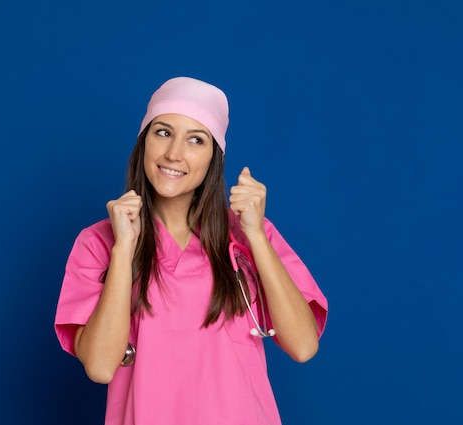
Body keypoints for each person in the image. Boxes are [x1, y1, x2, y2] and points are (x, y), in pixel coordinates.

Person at [54, 76, 328, 424]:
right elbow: (99, 366)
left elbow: (303, 346)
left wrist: (256, 235)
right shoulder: (99, 243)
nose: (174, 153)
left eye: (196, 140)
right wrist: (124, 249)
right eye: (163, 132)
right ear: (143, 142)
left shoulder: (247, 236)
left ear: (214, 157)